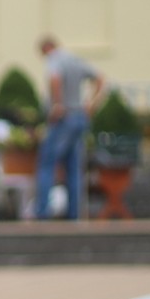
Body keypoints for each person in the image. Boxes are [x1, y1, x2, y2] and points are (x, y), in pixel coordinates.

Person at [34, 35, 104, 220]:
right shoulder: (74, 59)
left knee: (47, 163)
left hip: (64, 118)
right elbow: (100, 78)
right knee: (73, 167)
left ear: (46, 48)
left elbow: (55, 79)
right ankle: (74, 214)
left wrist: (57, 105)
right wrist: (91, 104)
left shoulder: (55, 59)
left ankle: (43, 212)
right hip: (79, 116)